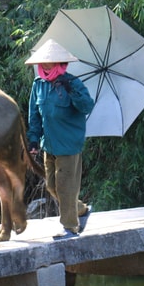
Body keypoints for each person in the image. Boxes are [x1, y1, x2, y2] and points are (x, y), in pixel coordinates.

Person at [25, 39, 95, 239]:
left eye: (50, 62)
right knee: (52, 186)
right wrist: (33, 139)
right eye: (44, 62)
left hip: (69, 144)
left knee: (65, 187)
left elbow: (87, 107)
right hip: (49, 144)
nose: (46, 65)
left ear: (59, 63)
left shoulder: (72, 83)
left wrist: (70, 90)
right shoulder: (38, 85)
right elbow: (35, 116)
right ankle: (80, 209)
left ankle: (70, 228)